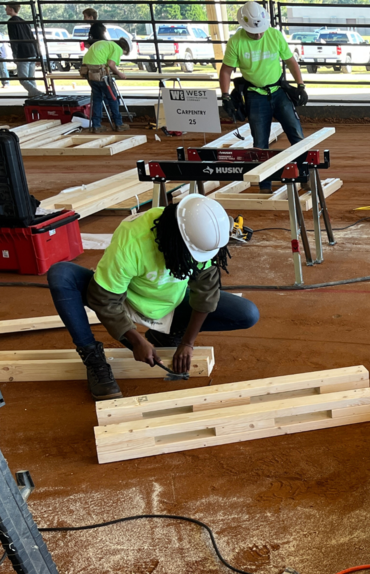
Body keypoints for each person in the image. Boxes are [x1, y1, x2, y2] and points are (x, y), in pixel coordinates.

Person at [46, 196, 259, 401]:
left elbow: (206, 293)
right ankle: (94, 359)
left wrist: (188, 342)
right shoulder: (133, 239)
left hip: (170, 303)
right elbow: (105, 299)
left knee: (246, 314)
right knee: (61, 275)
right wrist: (136, 340)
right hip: (125, 302)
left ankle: (166, 335)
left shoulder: (204, 235)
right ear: (177, 238)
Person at [219, 1, 307, 192]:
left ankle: (305, 176)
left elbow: (291, 62)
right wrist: (225, 95)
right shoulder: (236, 42)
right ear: (243, 26)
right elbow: (226, 71)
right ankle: (265, 186)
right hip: (255, 95)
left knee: (296, 134)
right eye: (253, 31)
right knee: (260, 143)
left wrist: (300, 85)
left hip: (279, 91)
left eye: (260, 30)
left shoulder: (274, 35)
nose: (258, 34)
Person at [81, 37, 130, 133]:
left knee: (97, 99)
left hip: (88, 73)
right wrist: (119, 73)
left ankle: (96, 125)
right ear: (124, 49)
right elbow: (111, 64)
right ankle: (119, 124)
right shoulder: (117, 48)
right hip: (101, 74)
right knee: (112, 98)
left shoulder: (103, 43)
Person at [5, 3, 42, 97]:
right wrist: (37, 54)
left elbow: (14, 40)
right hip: (31, 51)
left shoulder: (11, 22)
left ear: (11, 9)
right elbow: (33, 38)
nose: (5, 9)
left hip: (22, 53)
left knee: (23, 79)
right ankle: (34, 98)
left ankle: (36, 93)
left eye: (7, 7)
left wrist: (15, 55)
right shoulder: (24, 22)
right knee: (31, 78)